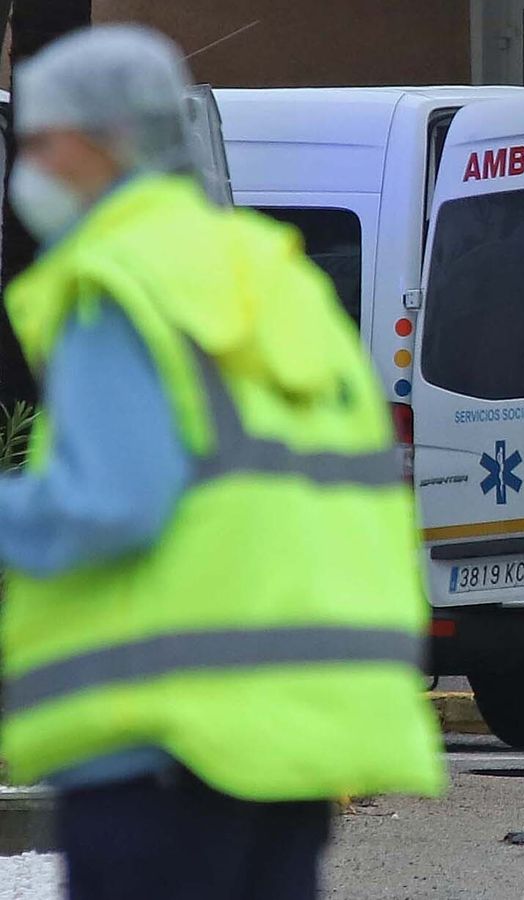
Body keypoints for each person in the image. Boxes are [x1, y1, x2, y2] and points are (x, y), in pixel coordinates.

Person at [0, 26, 443, 899]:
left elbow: (108, 503)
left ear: (99, 141)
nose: (31, 168)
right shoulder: (275, 277)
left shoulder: (120, 281)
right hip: (295, 738)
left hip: (163, 738)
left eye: (41, 143)